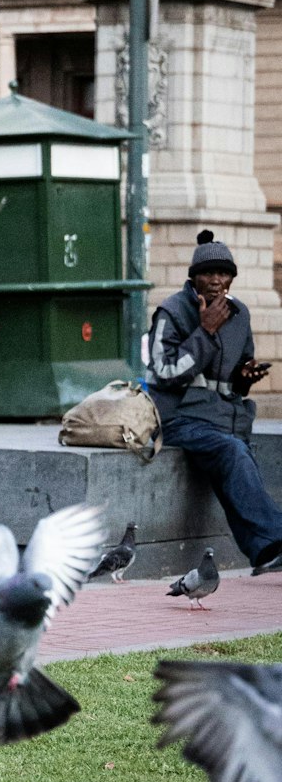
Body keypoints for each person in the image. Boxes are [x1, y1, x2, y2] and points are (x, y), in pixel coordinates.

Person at [145, 229, 282, 574]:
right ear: (193, 277)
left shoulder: (240, 314)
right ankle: (276, 539)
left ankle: (266, 551)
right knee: (232, 452)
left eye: (224, 274)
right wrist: (204, 332)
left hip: (222, 418)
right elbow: (165, 371)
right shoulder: (172, 311)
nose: (217, 281)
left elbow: (236, 370)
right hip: (178, 418)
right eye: (208, 273)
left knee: (233, 456)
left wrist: (244, 378)